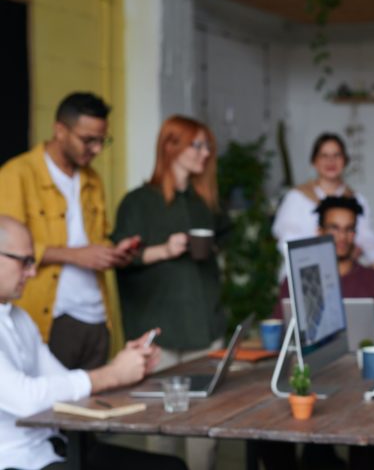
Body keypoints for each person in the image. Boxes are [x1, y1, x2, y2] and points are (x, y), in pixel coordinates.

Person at [0, 215, 187, 470]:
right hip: (21, 462)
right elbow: (26, 399)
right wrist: (112, 374)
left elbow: (64, 380)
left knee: (171, 467)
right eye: (25, 262)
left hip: (60, 449)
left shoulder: (19, 317)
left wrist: (127, 365)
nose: (32, 272)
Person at [110, 115, 227, 470]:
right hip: (160, 330)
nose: (205, 153)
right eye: (197, 144)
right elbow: (119, 258)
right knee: (162, 430)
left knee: (205, 429)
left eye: (208, 146)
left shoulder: (203, 202)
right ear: (170, 146)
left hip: (204, 328)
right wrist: (164, 249)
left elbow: (219, 245)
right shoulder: (138, 202)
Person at [0, 92, 140, 370]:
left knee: (97, 404)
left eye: (102, 140)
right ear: (60, 131)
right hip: (51, 317)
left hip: (97, 317)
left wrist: (113, 254)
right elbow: (7, 249)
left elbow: (95, 239)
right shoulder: (17, 174)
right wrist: (76, 256)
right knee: (53, 406)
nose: (97, 149)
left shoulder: (93, 180)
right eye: (89, 140)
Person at [276, 196, 374, 344]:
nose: (342, 237)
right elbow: (279, 336)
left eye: (349, 229)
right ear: (320, 232)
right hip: (311, 363)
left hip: (358, 363)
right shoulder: (294, 282)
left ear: (355, 234)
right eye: (334, 228)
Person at [272, 133, 374, 271]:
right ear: (314, 161)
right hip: (303, 272)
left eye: (337, 155)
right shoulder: (296, 197)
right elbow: (287, 241)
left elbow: (368, 241)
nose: (331, 161)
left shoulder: (356, 200)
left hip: (344, 275)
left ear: (345, 160)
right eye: (324, 156)